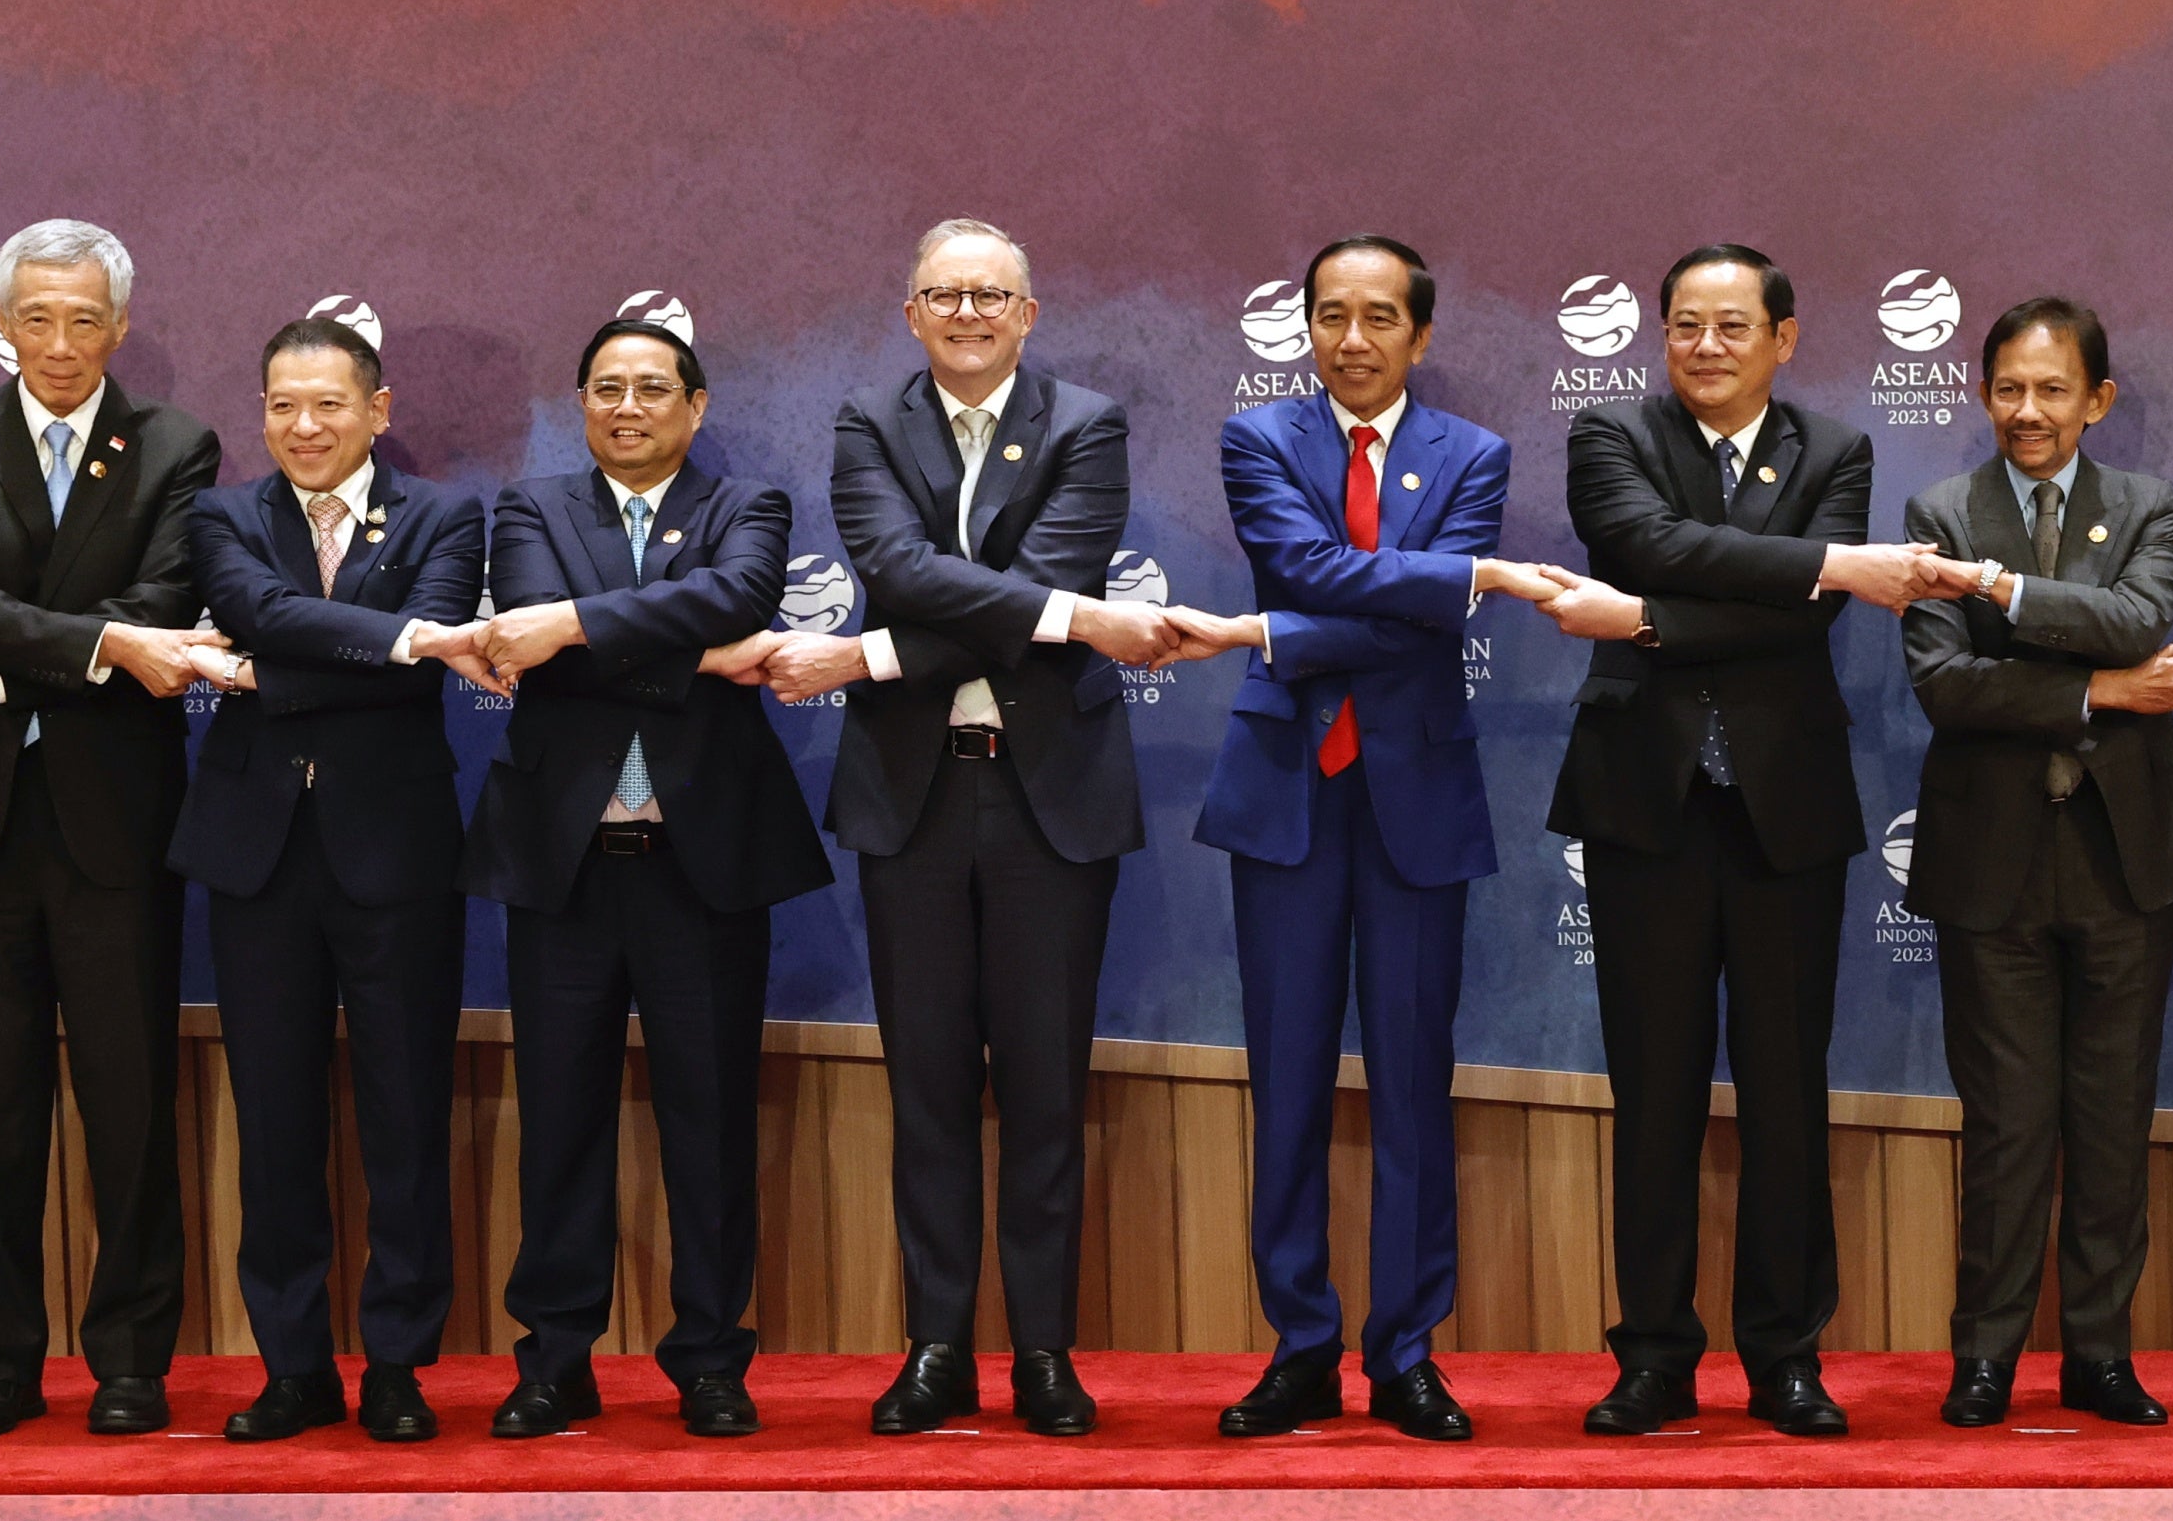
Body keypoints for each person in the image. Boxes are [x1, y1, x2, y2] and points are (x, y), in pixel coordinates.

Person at [758, 221, 1183, 1436]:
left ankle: (1043, 1352)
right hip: (915, 796)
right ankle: (936, 1347)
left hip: (1050, 800)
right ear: (910, 314)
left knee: (1047, 1093)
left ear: (1028, 313)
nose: (967, 312)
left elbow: (1023, 574)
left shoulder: (1086, 422)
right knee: (928, 1089)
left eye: (991, 294)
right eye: (943, 293)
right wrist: (1068, 619)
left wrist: (871, 654)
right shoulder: (865, 423)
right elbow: (896, 565)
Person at [1534, 243, 1965, 1439]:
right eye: (1684, 325)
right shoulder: (1612, 436)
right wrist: (1824, 565)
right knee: (1653, 1091)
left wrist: (1647, 626)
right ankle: (1654, 1358)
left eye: (1731, 327)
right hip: (1643, 806)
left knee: (1786, 1092)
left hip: (1784, 807)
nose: (1705, 347)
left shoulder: (1836, 449)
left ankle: (1786, 1356)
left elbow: (1799, 618)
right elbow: (1653, 551)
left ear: (1783, 337)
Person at [1175, 237, 1560, 1442]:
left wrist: (1275, 633)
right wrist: (1441, 582)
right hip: (1286, 793)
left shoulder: (1475, 455)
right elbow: (1306, 565)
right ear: (1305, 327)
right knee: (1284, 1084)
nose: (1352, 338)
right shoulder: (1261, 439)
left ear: (1420, 335)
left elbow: (1404, 627)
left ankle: (1405, 1354)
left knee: (1410, 1087)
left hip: (1413, 803)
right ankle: (1298, 1347)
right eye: (1330, 315)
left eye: (1378, 317)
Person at [468, 314, 830, 1438]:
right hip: (565, 864)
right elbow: (571, 635)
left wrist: (574, 632)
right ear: (580, 405)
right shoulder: (529, 508)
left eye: (652, 389)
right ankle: (555, 1360)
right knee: (560, 1121)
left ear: (695, 407)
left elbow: (733, 600)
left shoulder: (747, 507)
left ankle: (711, 1362)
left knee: (710, 1123)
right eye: (606, 389)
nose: (628, 407)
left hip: (701, 862)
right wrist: (690, 657)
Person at [0, 219, 221, 1439]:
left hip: (115, 825)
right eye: (36, 318)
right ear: (3, 322)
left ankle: (132, 1360)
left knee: (130, 1103)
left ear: (121, 326)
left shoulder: (176, 446)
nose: (60, 343)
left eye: (85, 319)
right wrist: (98, 647)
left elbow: (163, 609)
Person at [1898, 297, 2173, 1429]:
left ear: (2097, 401)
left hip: (2122, 857)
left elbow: (2140, 620)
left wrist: (2000, 594)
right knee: (2003, 1124)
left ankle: (2098, 1353)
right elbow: (1946, 687)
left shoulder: (2150, 504)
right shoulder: (1937, 508)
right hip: (1991, 858)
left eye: (2050, 391)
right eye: (2006, 389)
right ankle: (1983, 1355)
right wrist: (2093, 690)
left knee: (2107, 1115)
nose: (2026, 413)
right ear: (1982, 393)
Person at [168, 317, 492, 1443]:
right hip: (257, 852)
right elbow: (263, 614)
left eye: (327, 406)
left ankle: (398, 1366)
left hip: (396, 851)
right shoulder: (219, 513)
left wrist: (282, 670)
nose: (302, 427)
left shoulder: (449, 513)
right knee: (275, 1119)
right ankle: (293, 1365)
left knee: (406, 1113)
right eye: (280, 407)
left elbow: (410, 631)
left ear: (378, 411)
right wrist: (398, 645)